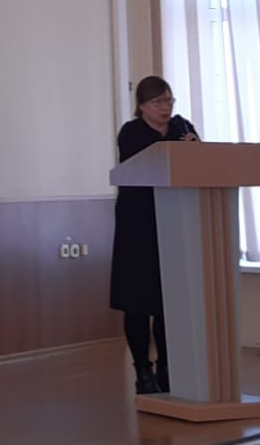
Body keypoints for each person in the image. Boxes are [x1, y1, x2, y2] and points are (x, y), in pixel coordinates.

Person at [110, 75, 199, 395]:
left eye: (169, 100)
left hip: (174, 221)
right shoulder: (131, 132)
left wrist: (193, 147)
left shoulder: (182, 126)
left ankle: (167, 367)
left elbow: (200, 163)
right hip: (138, 224)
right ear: (142, 106)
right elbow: (149, 162)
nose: (165, 107)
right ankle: (142, 370)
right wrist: (178, 148)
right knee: (137, 301)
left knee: (168, 302)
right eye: (158, 101)